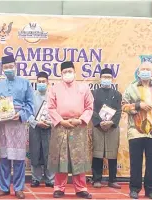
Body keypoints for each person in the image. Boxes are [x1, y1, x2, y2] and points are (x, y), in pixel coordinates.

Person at [47, 61, 94, 199]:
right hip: (61, 126)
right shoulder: (54, 88)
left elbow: (89, 106)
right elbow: (50, 107)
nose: (67, 74)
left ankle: (81, 188)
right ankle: (59, 188)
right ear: (61, 74)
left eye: (69, 71)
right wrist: (61, 121)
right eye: (64, 72)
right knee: (61, 158)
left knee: (78, 158)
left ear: (74, 71)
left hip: (78, 126)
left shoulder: (83, 88)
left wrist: (80, 120)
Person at [0, 55, 34, 199]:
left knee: (18, 158)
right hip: (3, 125)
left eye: (11, 66)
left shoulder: (25, 83)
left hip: (18, 124)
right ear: (2, 69)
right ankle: (3, 188)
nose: (9, 69)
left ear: (15, 66)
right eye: (6, 67)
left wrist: (22, 114)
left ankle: (18, 188)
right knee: (3, 157)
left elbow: (31, 104)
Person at [122, 62, 152, 199]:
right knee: (135, 161)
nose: (145, 71)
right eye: (143, 69)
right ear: (138, 71)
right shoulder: (131, 87)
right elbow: (124, 106)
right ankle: (135, 188)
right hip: (135, 130)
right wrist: (138, 105)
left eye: (148, 69)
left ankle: (150, 189)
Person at [91, 68, 122, 189]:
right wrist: (99, 122)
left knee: (112, 153)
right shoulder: (94, 93)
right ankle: (96, 179)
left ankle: (112, 180)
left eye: (109, 77)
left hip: (112, 127)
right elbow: (91, 109)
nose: (106, 79)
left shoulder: (117, 94)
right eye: (104, 77)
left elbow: (119, 111)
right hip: (98, 127)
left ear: (112, 79)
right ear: (100, 78)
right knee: (97, 152)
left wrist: (111, 122)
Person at [28, 71, 55, 188]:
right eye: (39, 82)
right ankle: (36, 179)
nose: (41, 83)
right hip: (35, 128)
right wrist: (36, 122)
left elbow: (57, 112)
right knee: (35, 153)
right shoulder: (31, 96)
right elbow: (28, 113)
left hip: (49, 128)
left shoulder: (53, 96)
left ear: (48, 82)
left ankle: (50, 179)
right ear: (36, 83)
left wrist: (50, 123)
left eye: (43, 81)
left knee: (50, 153)